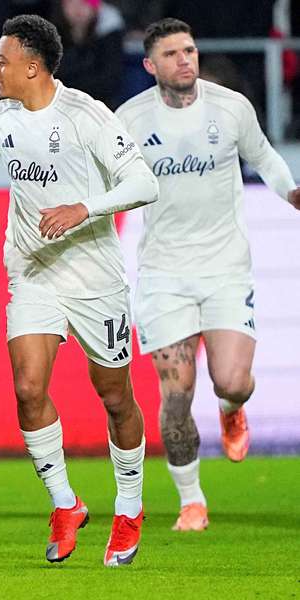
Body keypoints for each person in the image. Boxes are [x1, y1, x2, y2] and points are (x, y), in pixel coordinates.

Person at [0, 15, 158, 567]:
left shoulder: (88, 116)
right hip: (33, 269)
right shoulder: (5, 117)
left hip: (94, 277)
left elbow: (144, 183)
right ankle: (66, 503)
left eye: (1, 60)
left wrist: (84, 208)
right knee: (27, 388)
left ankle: (130, 507)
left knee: (115, 396)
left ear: (33, 67)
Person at [115, 18, 300, 532]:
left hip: (224, 268)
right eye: (172, 54)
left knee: (232, 380)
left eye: (190, 50)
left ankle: (232, 407)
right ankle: (191, 500)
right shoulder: (129, 121)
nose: (185, 60)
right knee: (176, 394)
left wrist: (290, 192)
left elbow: (264, 156)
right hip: (163, 275)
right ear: (151, 66)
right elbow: (104, 182)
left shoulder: (230, 107)